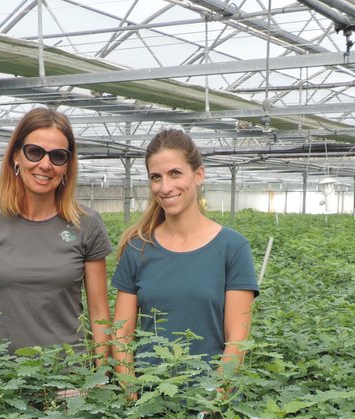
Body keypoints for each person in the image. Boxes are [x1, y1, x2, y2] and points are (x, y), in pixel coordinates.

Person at [111, 128, 258, 384]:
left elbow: (237, 340)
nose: (165, 187)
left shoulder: (232, 248)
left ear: (199, 175)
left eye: (175, 173)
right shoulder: (137, 248)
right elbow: (121, 334)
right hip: (149, 395)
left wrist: (215, 396)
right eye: (156, 177)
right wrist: (130, 390)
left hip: (211, 398)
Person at [0, 107, 112, 360]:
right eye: (34, 152)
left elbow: (99, 313)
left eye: (58, 156)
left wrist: (100, 374)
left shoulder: (86, 223)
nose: (45, 165)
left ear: (67, 166)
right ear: (16, 156)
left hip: (68, 373)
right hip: (3, 375)